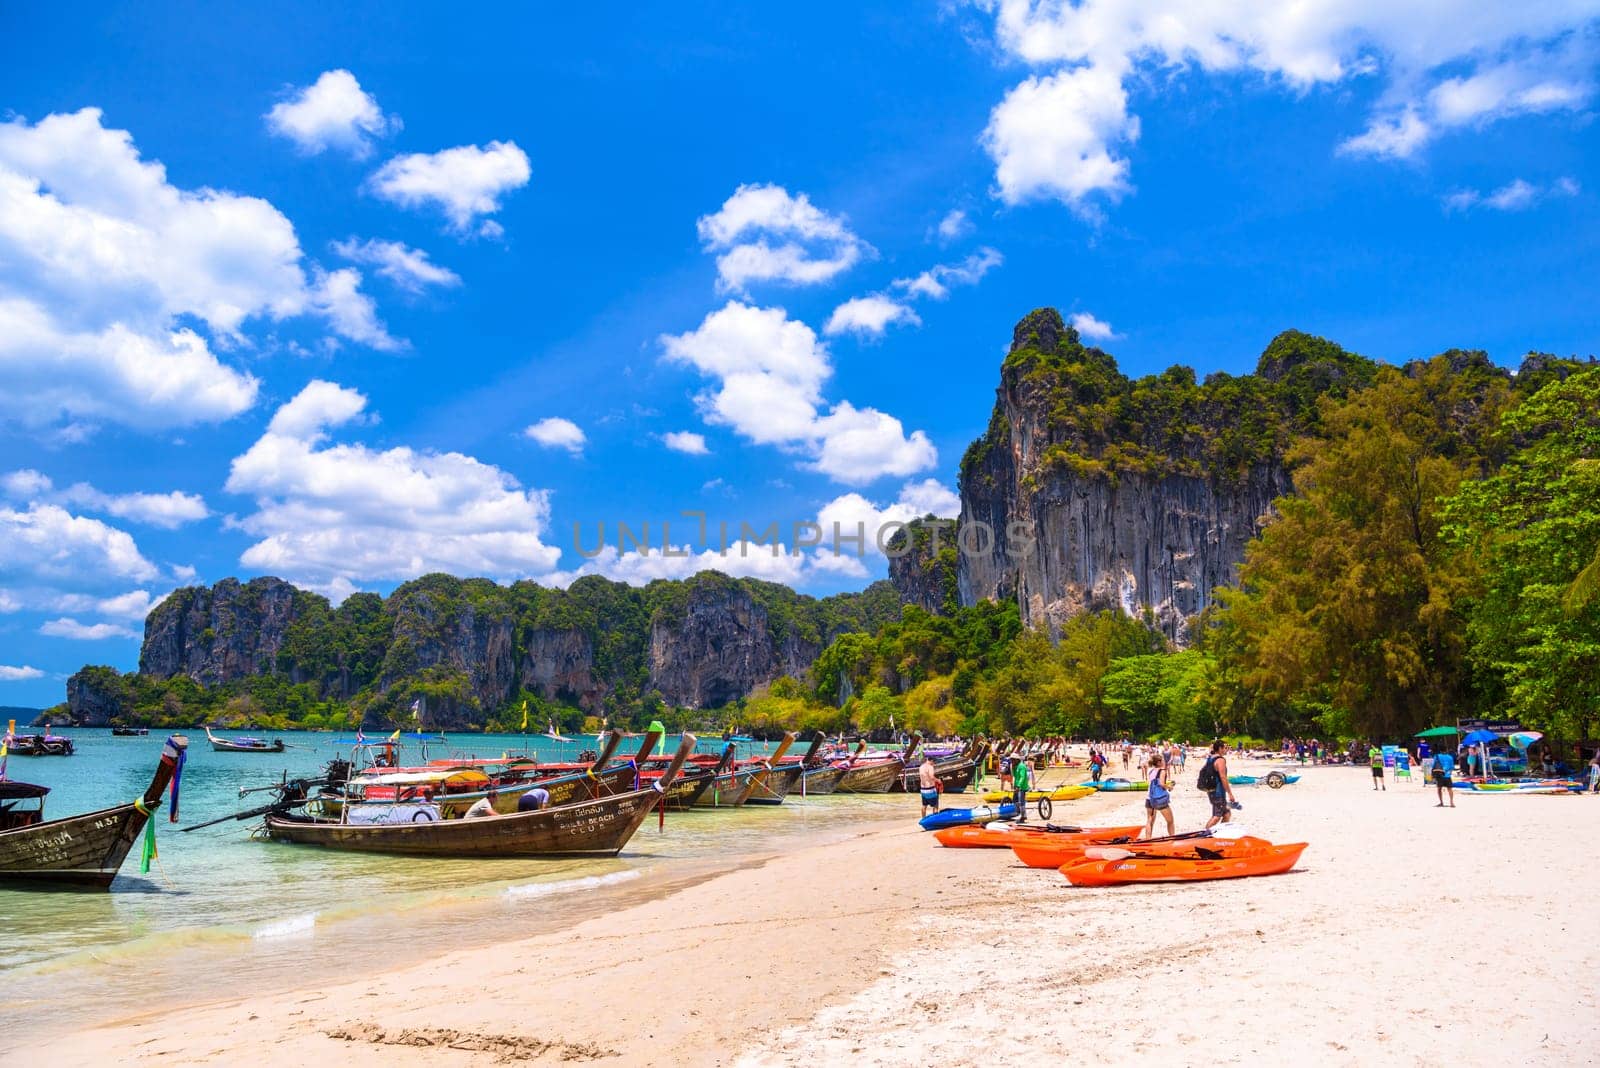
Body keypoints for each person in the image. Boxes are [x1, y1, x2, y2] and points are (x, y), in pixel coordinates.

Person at [1199, 740, 1237, 828]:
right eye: (1225, 748)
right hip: (1218, 792)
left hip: (1211, 790)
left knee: (1227, 813)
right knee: (1216, 816)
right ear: (1220, 749)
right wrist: (1230, 794)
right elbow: (1223, 777)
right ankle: (1205, 834)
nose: (1226, 750)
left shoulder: (1210, 758)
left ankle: (1220, 833)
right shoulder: (1220, 760)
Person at [1142, 754, 1175, 839]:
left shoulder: (1151, 771)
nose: (1164, 762)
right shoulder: (1162, 771)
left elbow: (1151, 784)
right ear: (1159, 762)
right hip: (1159, 799)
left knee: (1150, 821)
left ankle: (1147, 840)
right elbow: (1161, 783)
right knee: (1170, 821)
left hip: (1149, 798)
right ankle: (1173, 839)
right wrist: (1169, 787)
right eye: (1163, 760)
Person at [1011, 752, 1033, 824]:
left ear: (1017, 760)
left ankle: (1023, 816)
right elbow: (1015, 776)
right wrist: (1013, 768)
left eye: (1013, 760)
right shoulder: (1016, 766)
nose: (1012, 761)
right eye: (1011, 760)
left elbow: (1022, 777)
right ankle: (1019, 813)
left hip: (1022, 786)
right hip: (1017, 786)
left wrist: (1019, 786)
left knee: (1021, 802)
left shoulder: (1022, 766)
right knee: (1014, 800)